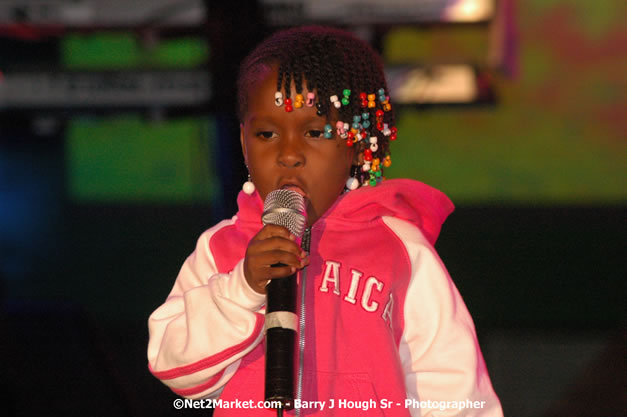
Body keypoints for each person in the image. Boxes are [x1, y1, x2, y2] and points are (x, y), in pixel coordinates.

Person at [147, 26, 503, 417]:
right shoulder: (222, 249)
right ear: (243, 141)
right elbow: (173, 367)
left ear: (357, 142)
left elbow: (453, 391)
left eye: (314, 132)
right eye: (266, 133)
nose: (288, 154)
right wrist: (243, 289)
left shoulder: (399, 248)